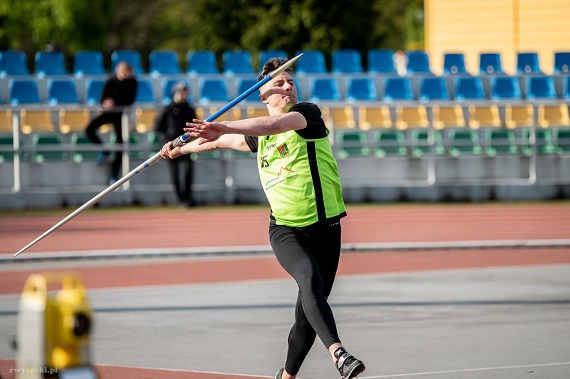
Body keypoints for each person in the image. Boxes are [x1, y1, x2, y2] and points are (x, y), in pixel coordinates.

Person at [160, 57, 365, 379]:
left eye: (290, 81)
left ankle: (286, 375)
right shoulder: (258, 137)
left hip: (327, 229)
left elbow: (271, 125)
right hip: (286, 230)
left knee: (306, 316)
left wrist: (223, 126)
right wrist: (177, 148)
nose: (288, 86)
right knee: (309, 282)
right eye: (279, 83)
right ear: (262, 95)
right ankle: (339, 353)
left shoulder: (306, 115)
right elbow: (220, 141)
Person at [85, 61, 137, 184]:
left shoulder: (132, 83)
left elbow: (129, 101)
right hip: (108, 114)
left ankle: (114, 175)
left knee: (120, 144)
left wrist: (115, 103)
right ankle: (105, 150)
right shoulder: (110, 81)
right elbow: (103, 99)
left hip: (120, 116)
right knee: (89, 129)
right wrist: (107, 103)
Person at [154, 82, 197, 207]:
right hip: (171, 146)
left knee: (188, 170)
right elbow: (157, 128)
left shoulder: (189, 109)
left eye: (186, 92)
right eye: (182, 92)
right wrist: (167, 139)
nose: (184, 95)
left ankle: (188, 198)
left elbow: (195, 126)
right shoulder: (167, 109)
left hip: (185, 145)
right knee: (175, 173)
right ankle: (180, 199)